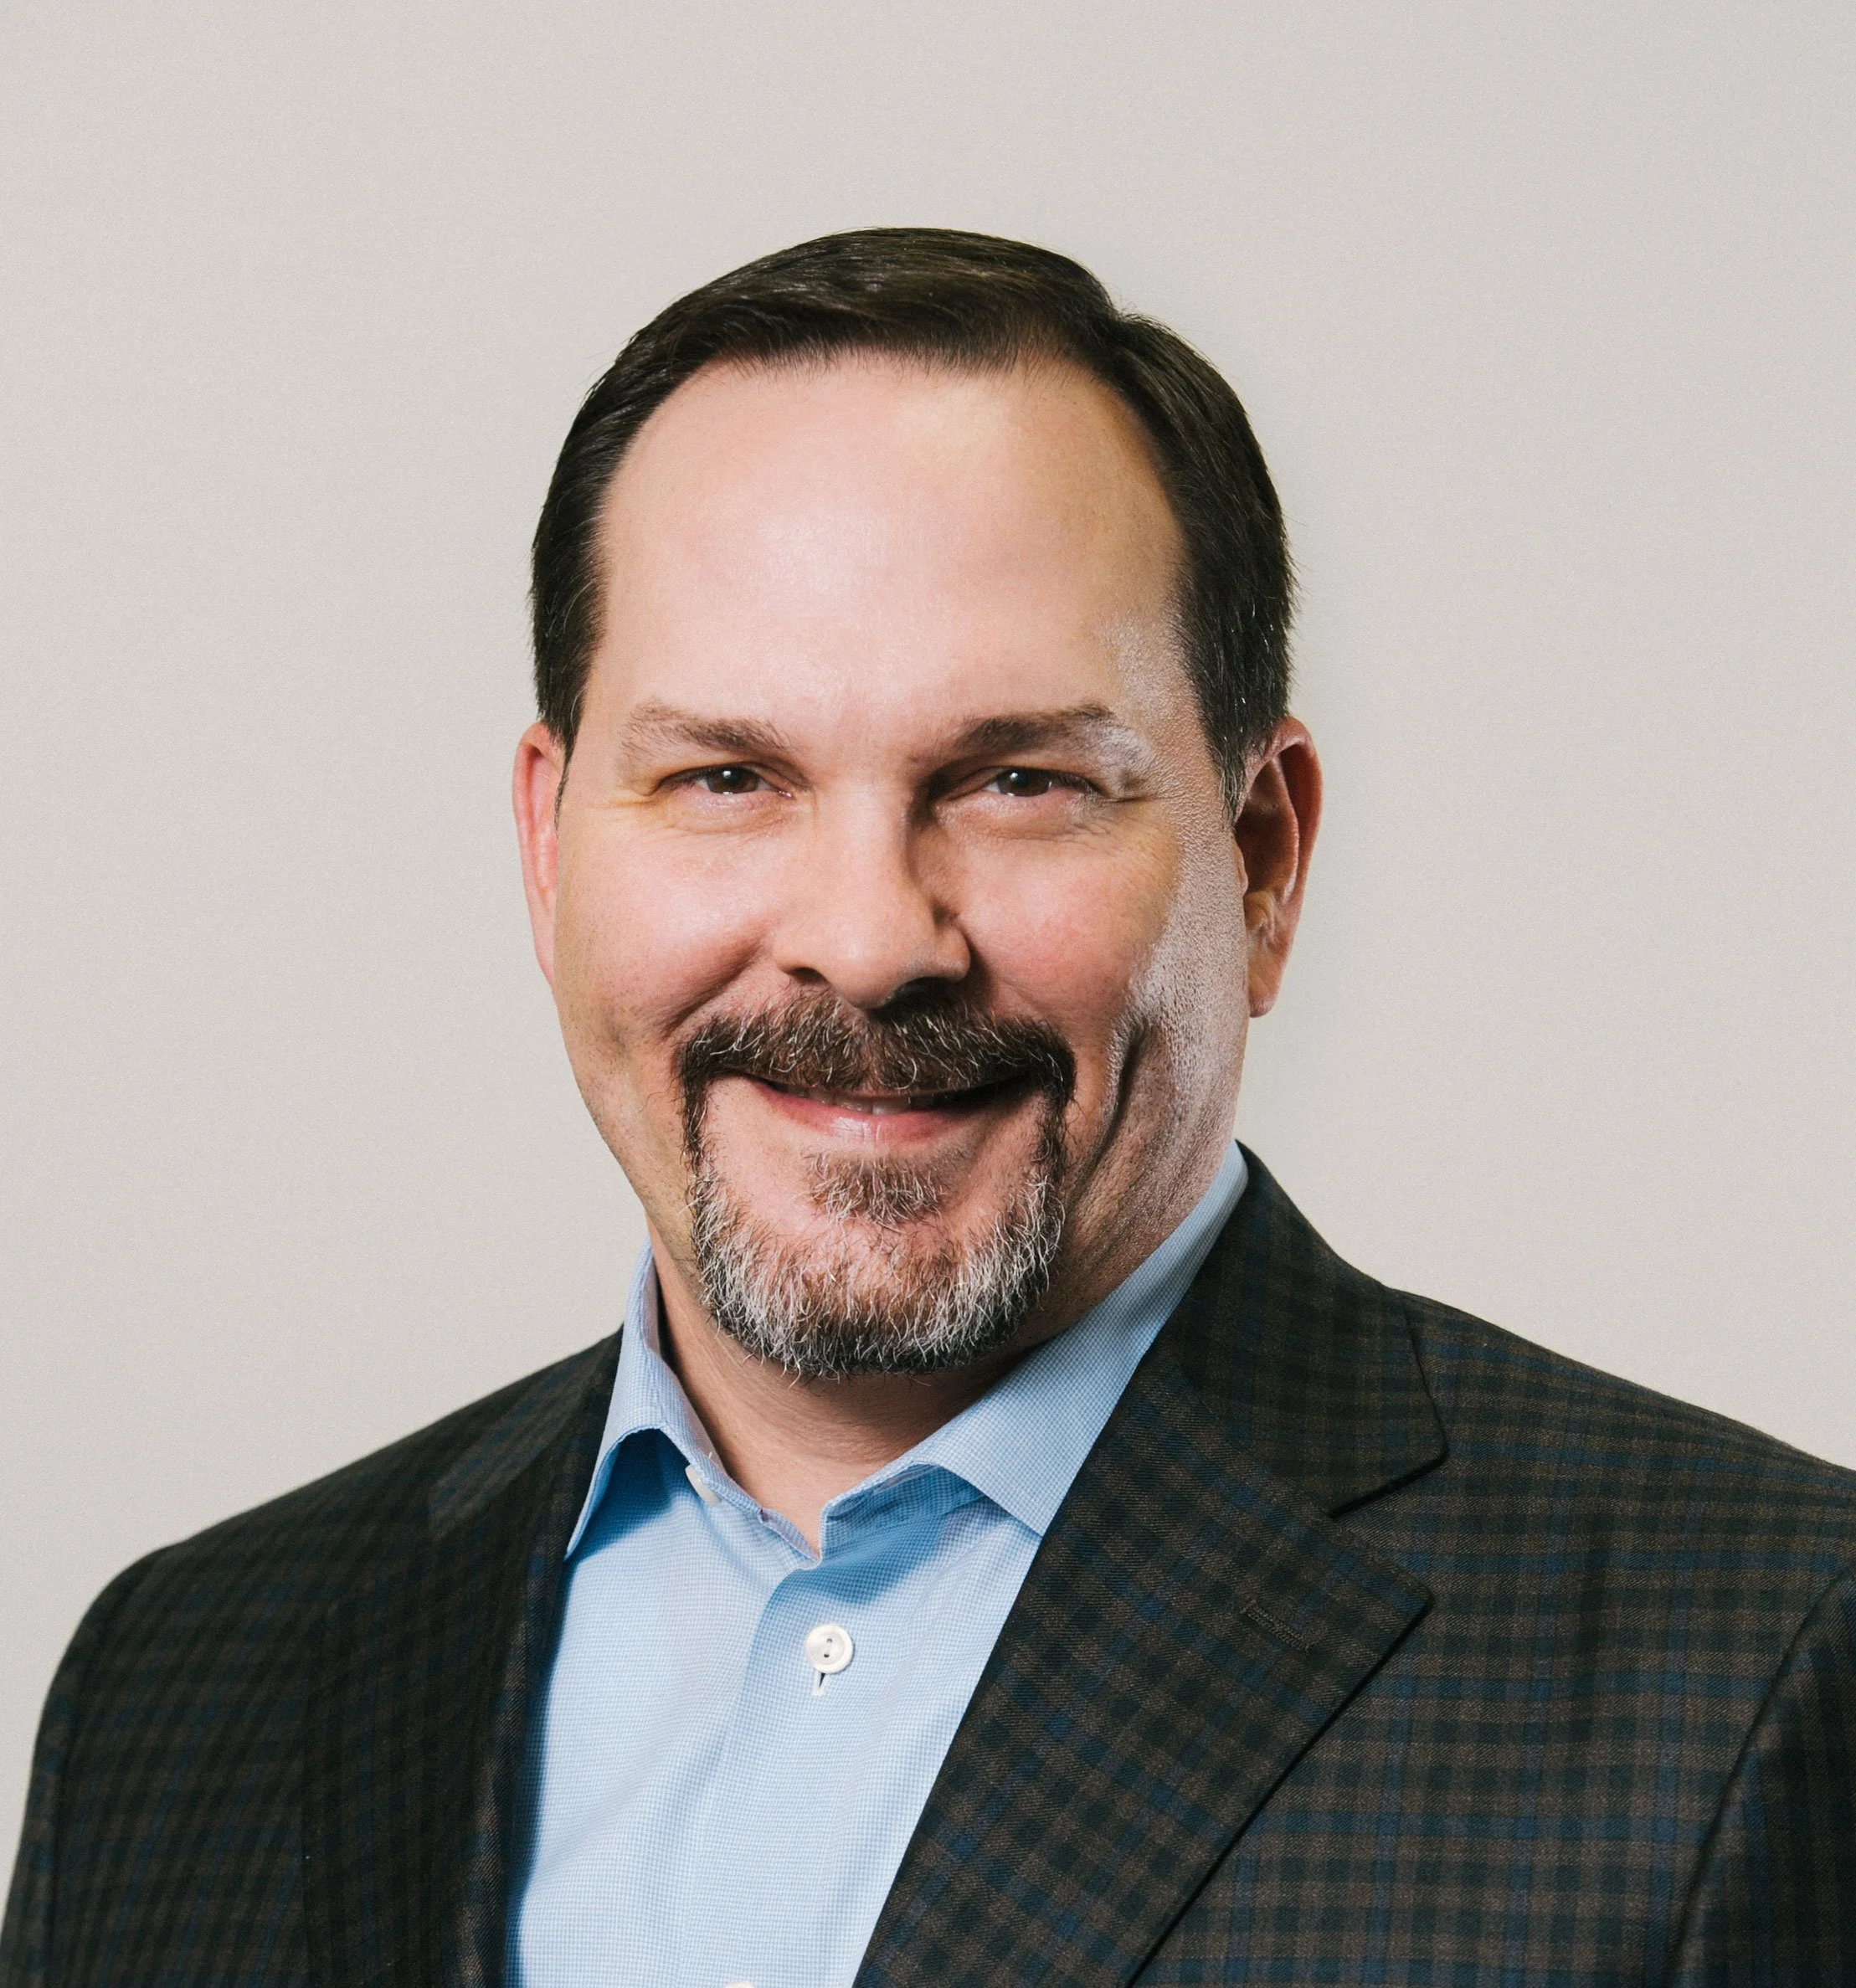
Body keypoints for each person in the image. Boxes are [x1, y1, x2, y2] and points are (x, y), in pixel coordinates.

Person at [5, 229, 1853, 1988]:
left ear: (1263, 859)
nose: (871, 941)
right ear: (545, 845)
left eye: (1020, 779)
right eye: (727, 774)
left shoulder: (1754, 1664)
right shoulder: (186, 1684)